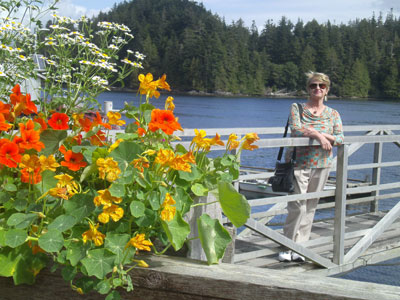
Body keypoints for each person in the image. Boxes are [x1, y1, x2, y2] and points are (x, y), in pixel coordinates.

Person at [278, 71, 344, 262]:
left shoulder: (333, 114)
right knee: (297, 206)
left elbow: (340, 138)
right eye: (313, 85)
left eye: (321, 86)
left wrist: (324, 135)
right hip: (299, 163)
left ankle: (300, 248)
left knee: (311, 207)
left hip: (322, 164)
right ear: (308, 88)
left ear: (327, 90)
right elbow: (297, 129)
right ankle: (287, 245)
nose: (317, 89)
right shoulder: (297, 108)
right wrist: (318, 135)